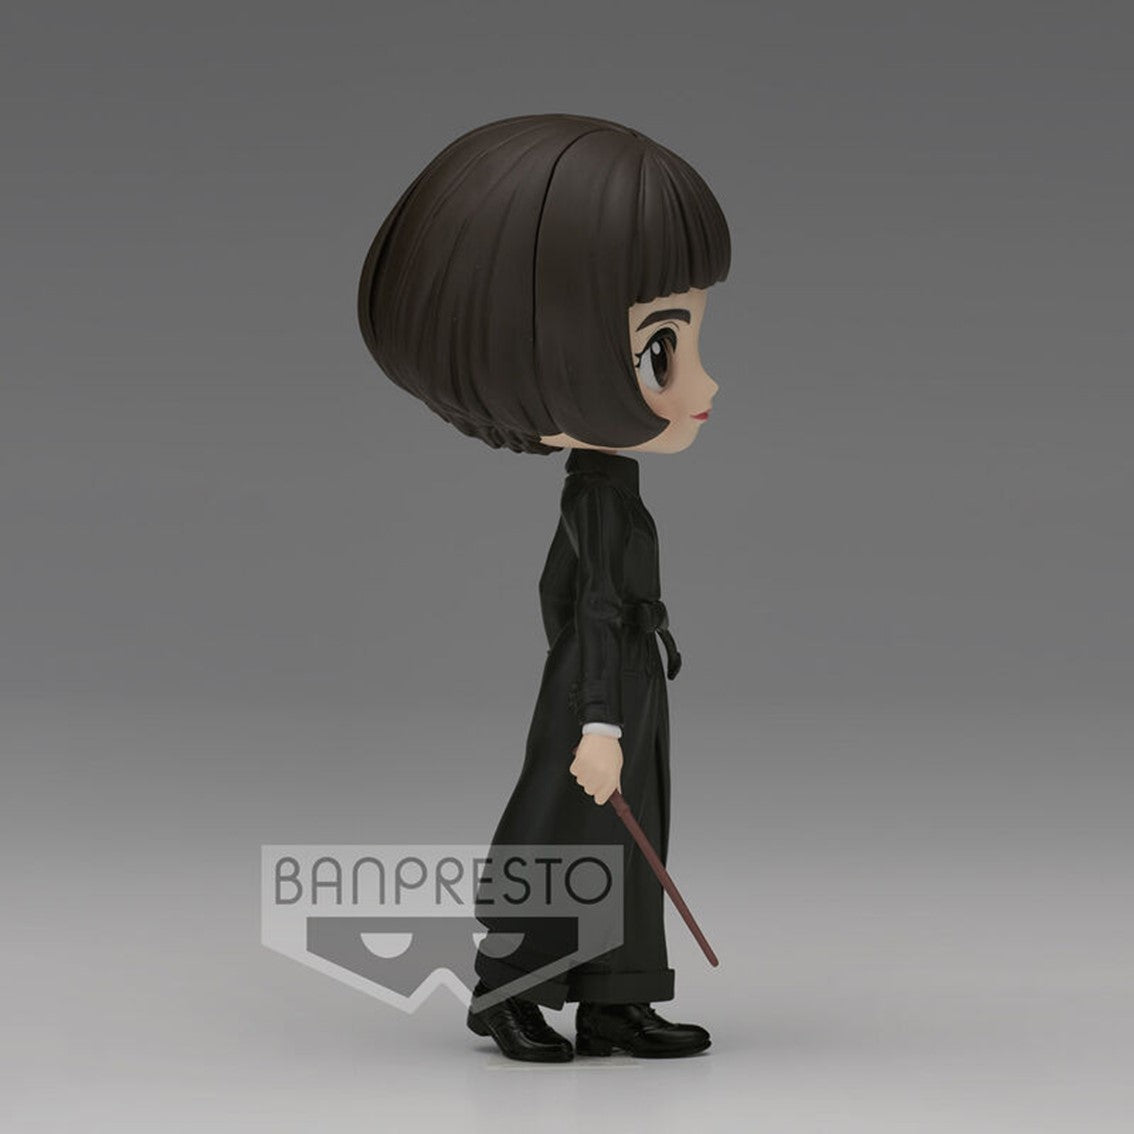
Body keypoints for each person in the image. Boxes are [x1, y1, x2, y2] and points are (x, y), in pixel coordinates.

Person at [358, 113, 730, 1060]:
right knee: (562, 831)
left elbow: (567, 600)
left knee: (631, 838)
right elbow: (588, 607)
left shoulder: (615, 484)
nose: (705, 386)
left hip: (625, 677)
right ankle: (507, 991)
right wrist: (598, 719)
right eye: (661, 350)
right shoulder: (597, 495)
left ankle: (615, 997)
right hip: (599, 683)